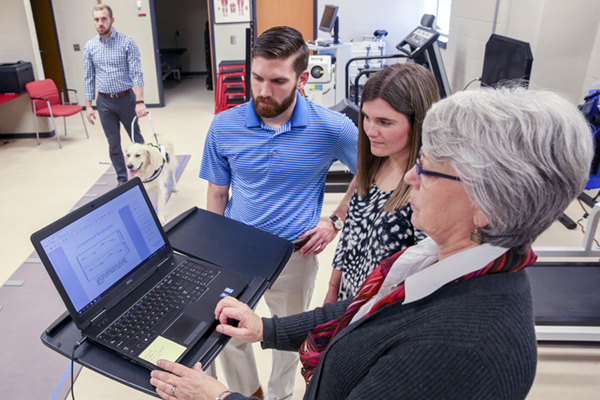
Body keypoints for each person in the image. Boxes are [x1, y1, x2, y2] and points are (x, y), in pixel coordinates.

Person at [150, 86, 593, 400]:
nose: (411, 177)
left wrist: (217, 398)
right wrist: (267, 329)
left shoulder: (460, 348)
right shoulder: (444, 263)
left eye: (431, 169)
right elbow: (366, 310)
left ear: (489, 205)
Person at [199, 26, 358, 399]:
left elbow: (375, 170)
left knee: (286, 334)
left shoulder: (331, 128)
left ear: (302, 78)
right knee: (229, 332)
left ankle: (280, 395)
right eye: (256, 78)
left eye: (277, 81)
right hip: (236, 251)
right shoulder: (224, 126)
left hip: (295, 255)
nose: (264, 91)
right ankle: (247, 395)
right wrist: (212, 251)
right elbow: (218, 193)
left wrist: (336, 220)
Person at [324, 63, 436, 304]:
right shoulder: (372, 166)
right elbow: (350, 236)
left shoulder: (425, 187)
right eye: (366, 117)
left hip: (382, 315)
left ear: (418, 122)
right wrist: (332, 290)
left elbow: (426, 276)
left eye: (385, 122)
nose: (370, 131)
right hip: (349, 303)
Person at [84, 4, 148, 186]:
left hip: (127, 99)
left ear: (111, 20)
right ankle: (122, 178)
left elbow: (137, 73)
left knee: (137, 140)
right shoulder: (90, 47)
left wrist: (140, 101)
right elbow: (88, 77)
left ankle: (144, 173)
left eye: (104, 19)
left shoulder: (127, 42)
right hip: (104, 102)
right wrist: (88, 105)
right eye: (96, 19)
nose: (100, 23)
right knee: (113, 143)